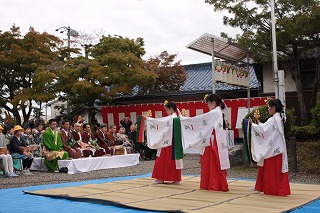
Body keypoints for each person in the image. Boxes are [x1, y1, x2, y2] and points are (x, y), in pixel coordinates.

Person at [180, 94, 230, 191]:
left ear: (213, 102)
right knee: (212, 162)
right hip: (214, 139)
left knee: (211, 162)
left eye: (208, 103)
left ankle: (212, 184)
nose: (207, 106)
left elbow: (199, 120)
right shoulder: (218, 111)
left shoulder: (215, 112)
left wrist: (185, 120)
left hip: (212, 141)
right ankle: (213, 184)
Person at [250, 99, 291, 196]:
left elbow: (264, 130)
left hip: (273, 150)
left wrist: (252, 125)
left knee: (272, 172)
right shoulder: (277, 118)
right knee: (276, 171)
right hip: (276, 148)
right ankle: (277, 189)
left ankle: (274, 190)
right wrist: (258, 124)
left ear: (273, 108)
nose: (268, 109)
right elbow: (266, 128)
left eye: (269, 107)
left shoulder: (273, 119)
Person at [149, 101, 182, 184]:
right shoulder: (177, 117)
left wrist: (148, 120)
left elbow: (159, 122)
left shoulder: (171, 118)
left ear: (171, 109)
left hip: (167, 142)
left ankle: (161, 178)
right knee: (173, 161)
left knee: (163, 161)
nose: (166, 112)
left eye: (167, 110)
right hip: (175, 142)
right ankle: (175, 178)